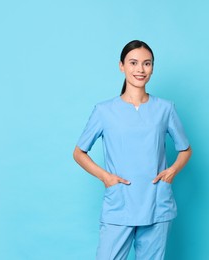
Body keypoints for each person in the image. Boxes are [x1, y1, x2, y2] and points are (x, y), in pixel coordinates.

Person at [73, 40, 192, 260]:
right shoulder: (104, 111)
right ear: (121, 66)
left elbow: (185, 149)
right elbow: (79, 152)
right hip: (120, 202)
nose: (140, 69)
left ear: (152, 68)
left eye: (147, 64)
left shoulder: (165, 109)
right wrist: (105, 177)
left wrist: (172, 171)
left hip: (157, 203)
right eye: (133, 63)